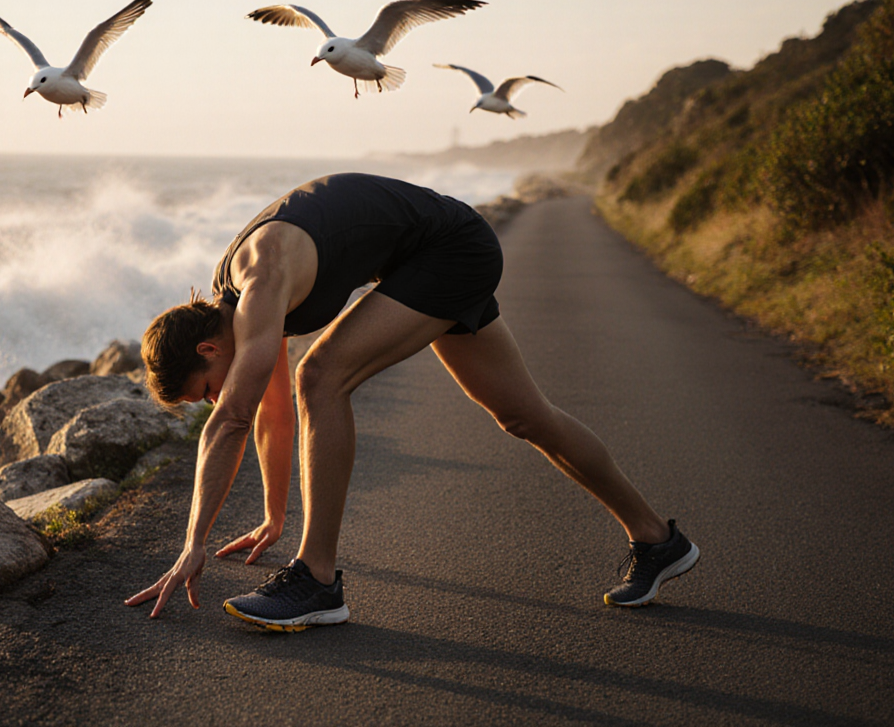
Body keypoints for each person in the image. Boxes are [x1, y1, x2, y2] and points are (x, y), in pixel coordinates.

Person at [124, 173, 698, 631]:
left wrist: (191, 544)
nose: (217, 396)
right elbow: (266, 413)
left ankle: (316, 580)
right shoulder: (242, 310)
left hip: (450, 250)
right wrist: (275, 513)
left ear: (206, 347)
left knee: (320, 377)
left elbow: (231, 420)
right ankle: (657, 540)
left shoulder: (261, 278)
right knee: (524, 415)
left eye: (206, 386)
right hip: (426, 257)